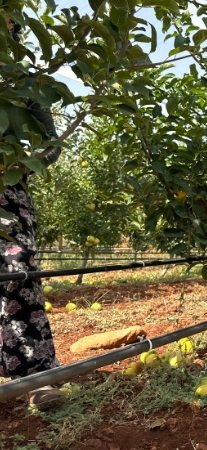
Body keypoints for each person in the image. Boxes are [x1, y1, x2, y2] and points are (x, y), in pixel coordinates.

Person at [1, 16, 65, 409]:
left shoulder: (26, 81)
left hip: (7, 190)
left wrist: (17, 165)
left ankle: (38, 376)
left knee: (19, 270)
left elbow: (51, 143)